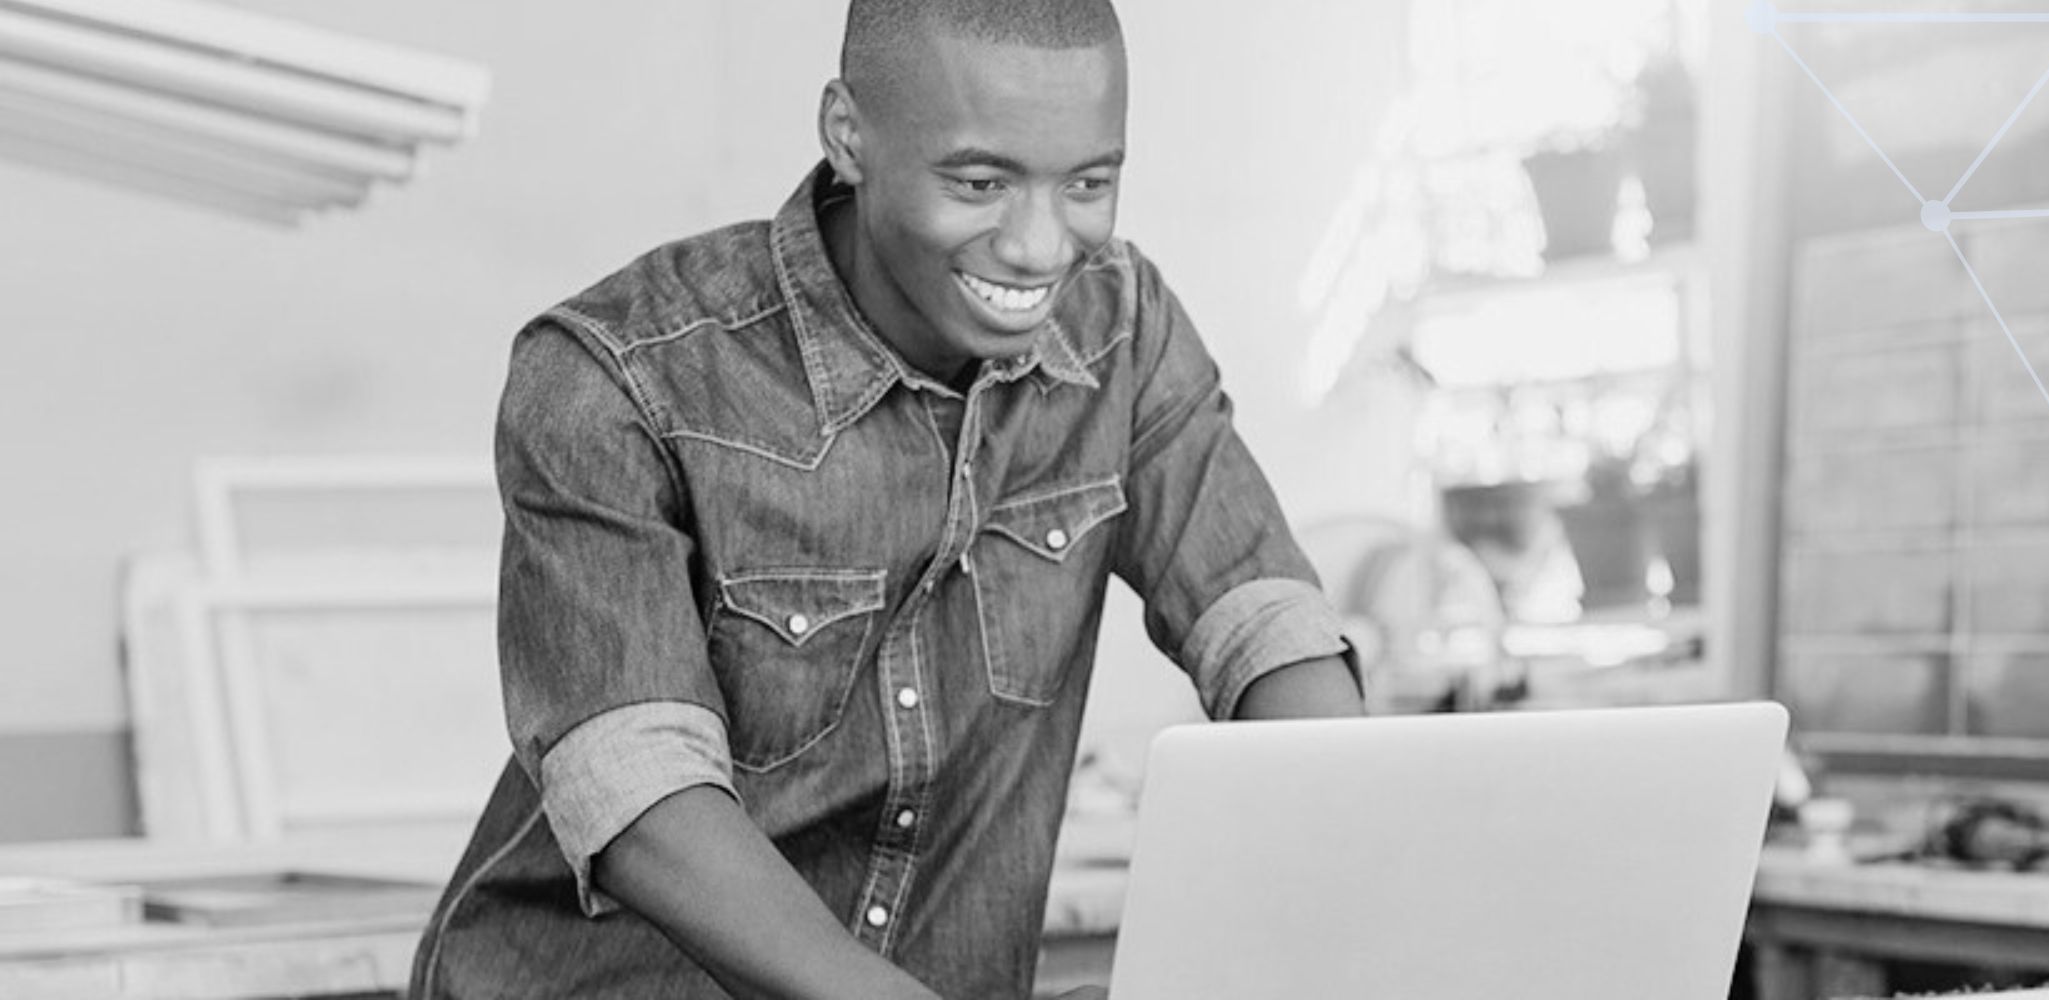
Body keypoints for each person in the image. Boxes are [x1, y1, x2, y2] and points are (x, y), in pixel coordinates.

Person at [409, 0, 1363, 995]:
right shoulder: (616, 375)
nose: (1041, 248)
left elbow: (1263, 624)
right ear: (848, 135)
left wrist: (1369, 842)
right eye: (980, 181)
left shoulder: (1121, 329)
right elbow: (639, 792)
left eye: (1087, 182)